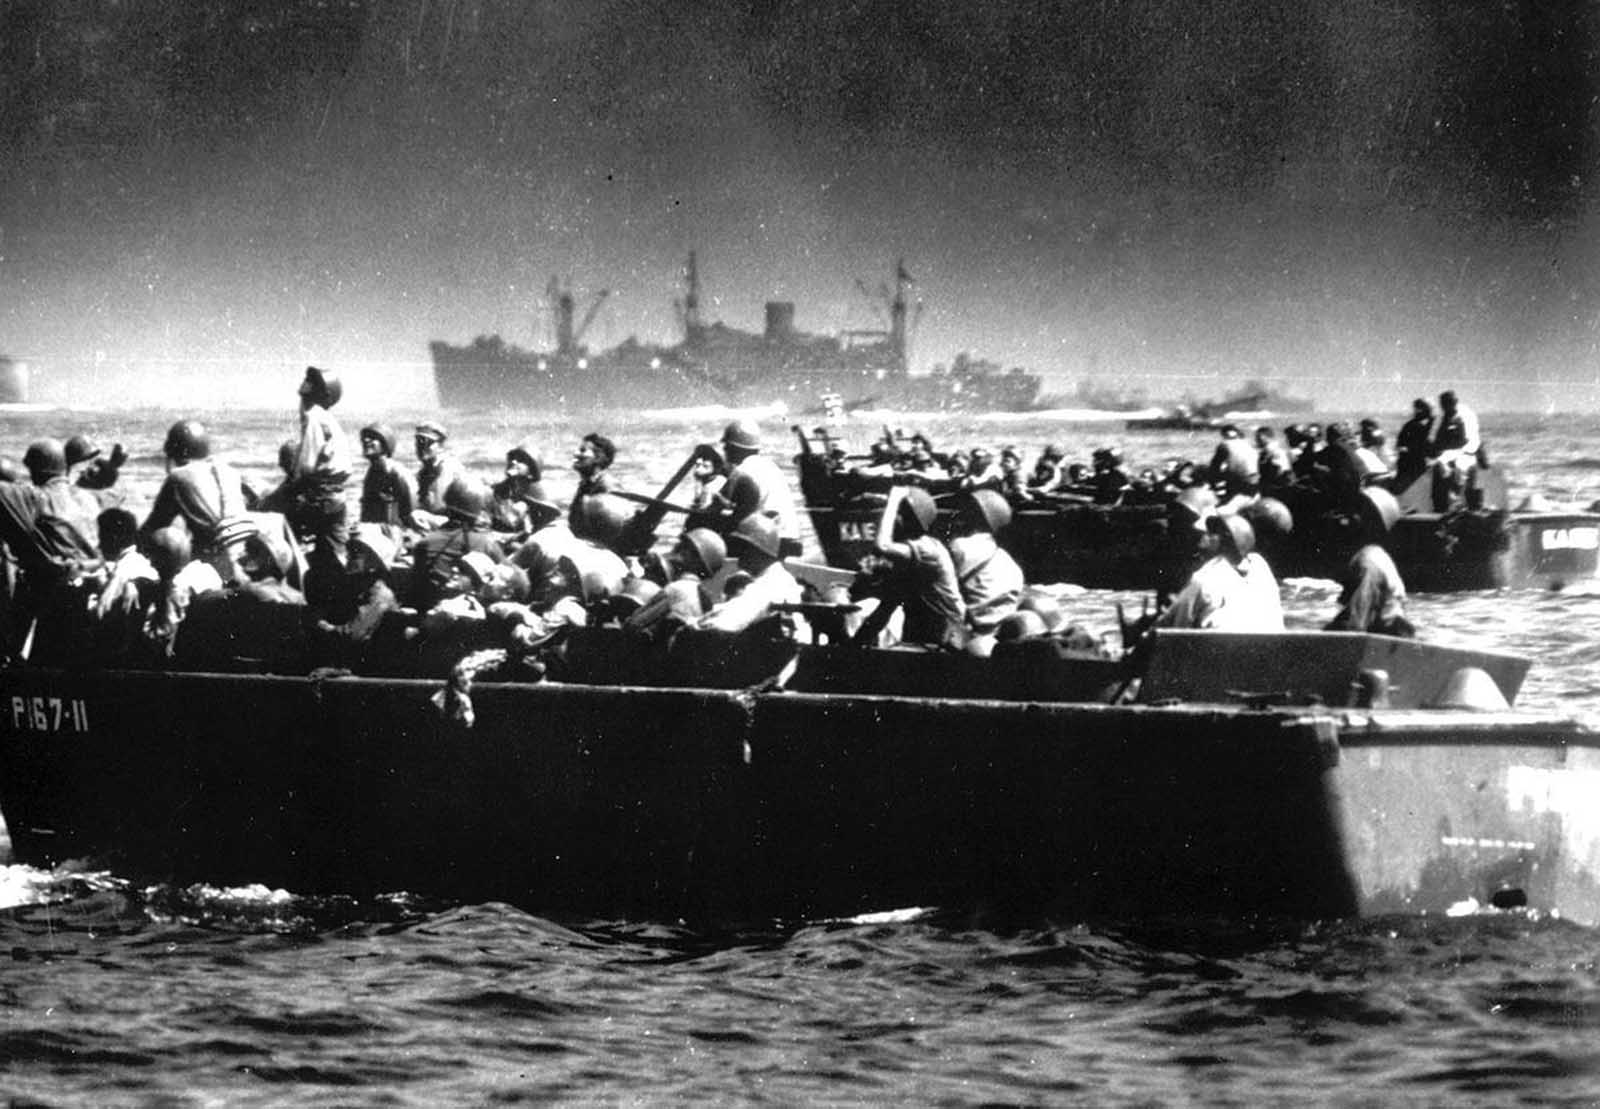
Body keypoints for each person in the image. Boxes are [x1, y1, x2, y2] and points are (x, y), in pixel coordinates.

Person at [139, 420, 255, 583]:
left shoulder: (178, 477)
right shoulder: (230, 472)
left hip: (217, 563)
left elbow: (154, 526)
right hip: (247, 554)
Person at [863, 484, 966, 650]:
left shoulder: (927, 550)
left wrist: (893, 500)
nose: (889, 520)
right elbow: (886, 607)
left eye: (896, 515)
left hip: (946, 637)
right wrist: (852, 646)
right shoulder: (909, 558)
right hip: (924, 634)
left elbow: (882, 546)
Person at [1156, 514, 1283, 632]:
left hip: (1219, 653)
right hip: (1269, 652)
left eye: (1211, 533)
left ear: (1225, 540)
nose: (1204, 537)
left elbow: (1174, 629)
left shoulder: (1205, 578)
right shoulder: (1261, 568)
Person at [1326, 487, 1414, 637]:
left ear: (1376, 526)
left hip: (1384, 643)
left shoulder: (1368, 562)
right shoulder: (1375, 556)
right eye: (1353, 508)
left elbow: (1355, 624)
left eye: (1361, 512)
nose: (1349, 517)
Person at [408, 476, 504, 612]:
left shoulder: (425, 543)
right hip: (468, 616)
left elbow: (416, 588)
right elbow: (509, 574)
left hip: (430, 613)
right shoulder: (486, 544)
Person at [699, 513, 802, 634]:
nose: (739, 553)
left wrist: (695, 624)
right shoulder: (777, 578)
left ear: (759, 551)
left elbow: (728, 622)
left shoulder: (770, 583)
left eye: (744, 547)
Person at [947, 489, 1025, 648]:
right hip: (1001, 634)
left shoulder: (959, 547)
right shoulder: (1008, 561)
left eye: (966, 511)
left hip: (969, 634)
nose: (958, 516)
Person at [289, 366, 353, 550]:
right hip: (332, 497)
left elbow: (307, 466)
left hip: (321, 497)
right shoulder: (326, 419)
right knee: (332, 548)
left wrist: (290, 488)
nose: (303, 388)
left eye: (310, 384)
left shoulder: (314, 417)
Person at [719, 419, 802, 557]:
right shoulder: (770, 466)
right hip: (788, 537)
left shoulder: (741, 470)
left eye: (726, 446)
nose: (725, 450)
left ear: (733, 447)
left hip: (766, 542)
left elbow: (719, 505)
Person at [357, 423, 416, 534]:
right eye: (364, 438)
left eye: (373, 438)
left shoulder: (397, 473)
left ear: (385, 444)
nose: (365, 440)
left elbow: (411, 509)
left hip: (394, 534)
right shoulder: (372, 473)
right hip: (374, 533)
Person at [490, 440, 552, 541]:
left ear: (531, 471)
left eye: (521, 460)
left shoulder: (538, 496)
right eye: (512, 458)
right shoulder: (495, 491)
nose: (513, 462)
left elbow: (545, 527)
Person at [1430, 390, 1481, 511]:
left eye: (1449, 403)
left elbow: (1470, 441)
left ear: (1455, 403)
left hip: (1463, 455)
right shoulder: (1441, 419)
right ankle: (1441, 509)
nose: (1446, 406)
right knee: (1439, 473)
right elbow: (1434, 439)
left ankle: (1463, 503)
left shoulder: (1464, 417)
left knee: (1461, 471)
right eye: (1443, 404)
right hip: (1445, 456)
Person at [413, 421, 467, 532]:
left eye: (428, 443)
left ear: (441, 446)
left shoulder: (453, 470)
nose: (422, 447)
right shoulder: (422, 474)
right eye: (419, 443)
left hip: (452, 527)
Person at [1208, 424, 1259, 500]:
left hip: (1240, 479)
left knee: (1214, 474)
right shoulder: (1247, 443)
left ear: (1223, 434)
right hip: (1255, 478)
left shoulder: (1224, 444)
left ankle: (1217, 498)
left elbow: (1215, 465)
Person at [1394, 398, 1434, 492]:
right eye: (1417, 408)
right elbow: (1400, 444)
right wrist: (1404, 449)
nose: (1417, 410)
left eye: (1420, 408)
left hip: (1427, 462)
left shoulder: (1434, 424)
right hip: (1410, 462)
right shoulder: (1409, 425)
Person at [1255, 426, 1294, 494]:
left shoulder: (1274, 452)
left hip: (1277, 487)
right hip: (1276, 484)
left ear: (1265, 437)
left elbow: (1276, 471)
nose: (1256, 440)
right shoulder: (1269, 451)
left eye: (1258, 437)